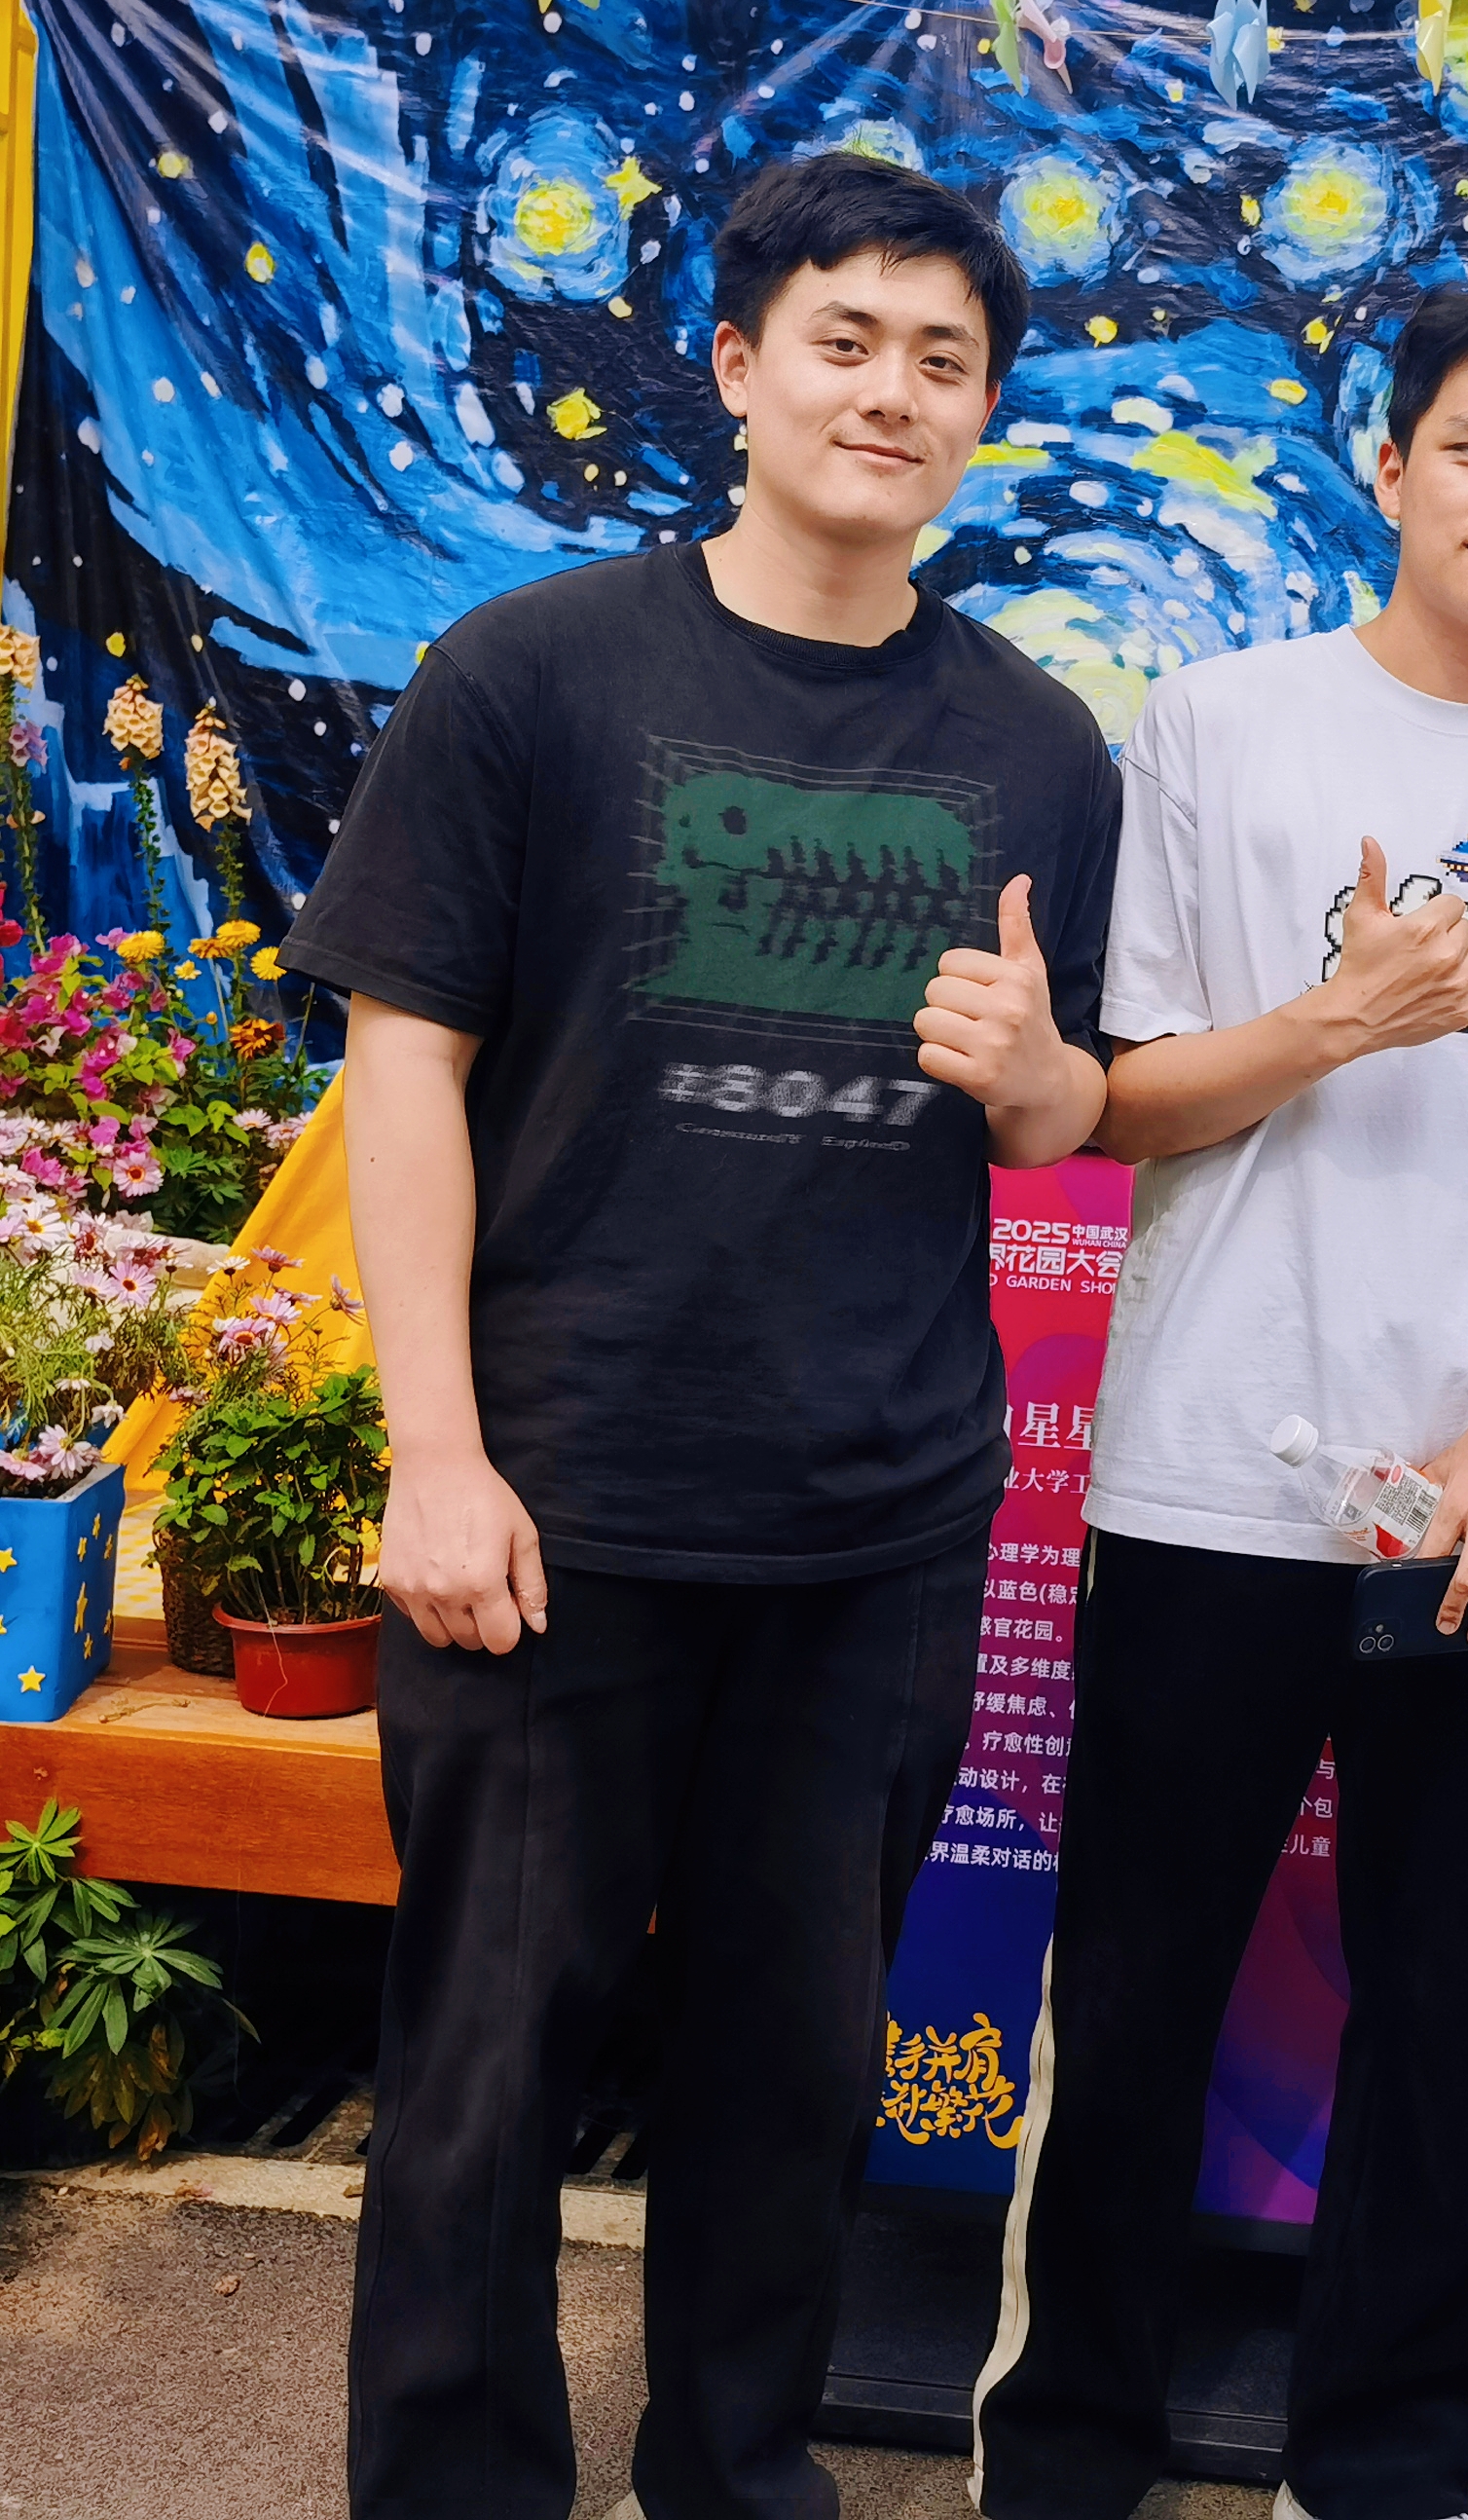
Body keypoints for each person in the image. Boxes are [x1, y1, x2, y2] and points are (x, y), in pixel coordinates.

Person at [283, 155, 1119, 2520]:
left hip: (878, 1521)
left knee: (793, 2068)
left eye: (943, 358)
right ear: (739, 365)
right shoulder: (530, 674)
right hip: (559, 1504)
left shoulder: (1044, 743)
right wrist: (435, 1451)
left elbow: (1067, 1106)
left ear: (984, 411)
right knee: (484, 2065)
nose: (891, 392)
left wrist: (1042, 1080)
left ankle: (740, 2478)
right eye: (844, 341)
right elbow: (406, 1070)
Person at [966, 278, 1468, 2520]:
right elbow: (1119, 1096)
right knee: (1137, 1979)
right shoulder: (1226, 725)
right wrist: (1345, 1016)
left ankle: (1381, 2460)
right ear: (1390, 466)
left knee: (1449, 2009)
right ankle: (1067, 2444)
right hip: (1212, 1466)